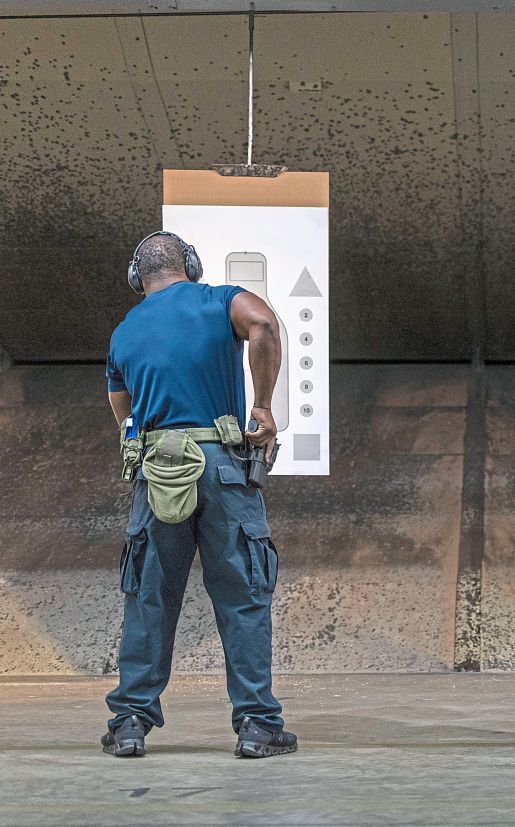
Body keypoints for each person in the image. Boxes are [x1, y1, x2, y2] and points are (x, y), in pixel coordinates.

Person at [100, 231, 298, 759]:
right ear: (190, 264)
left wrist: (140, 437)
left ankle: (130, 723)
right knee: (243, 597)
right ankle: (257, 727)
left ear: (137, 278)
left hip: (158, 473)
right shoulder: (219, 299)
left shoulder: (124, 332)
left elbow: (121, 406)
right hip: (223, 469)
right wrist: (263, 407)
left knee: (148, 599)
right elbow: (263, 324)